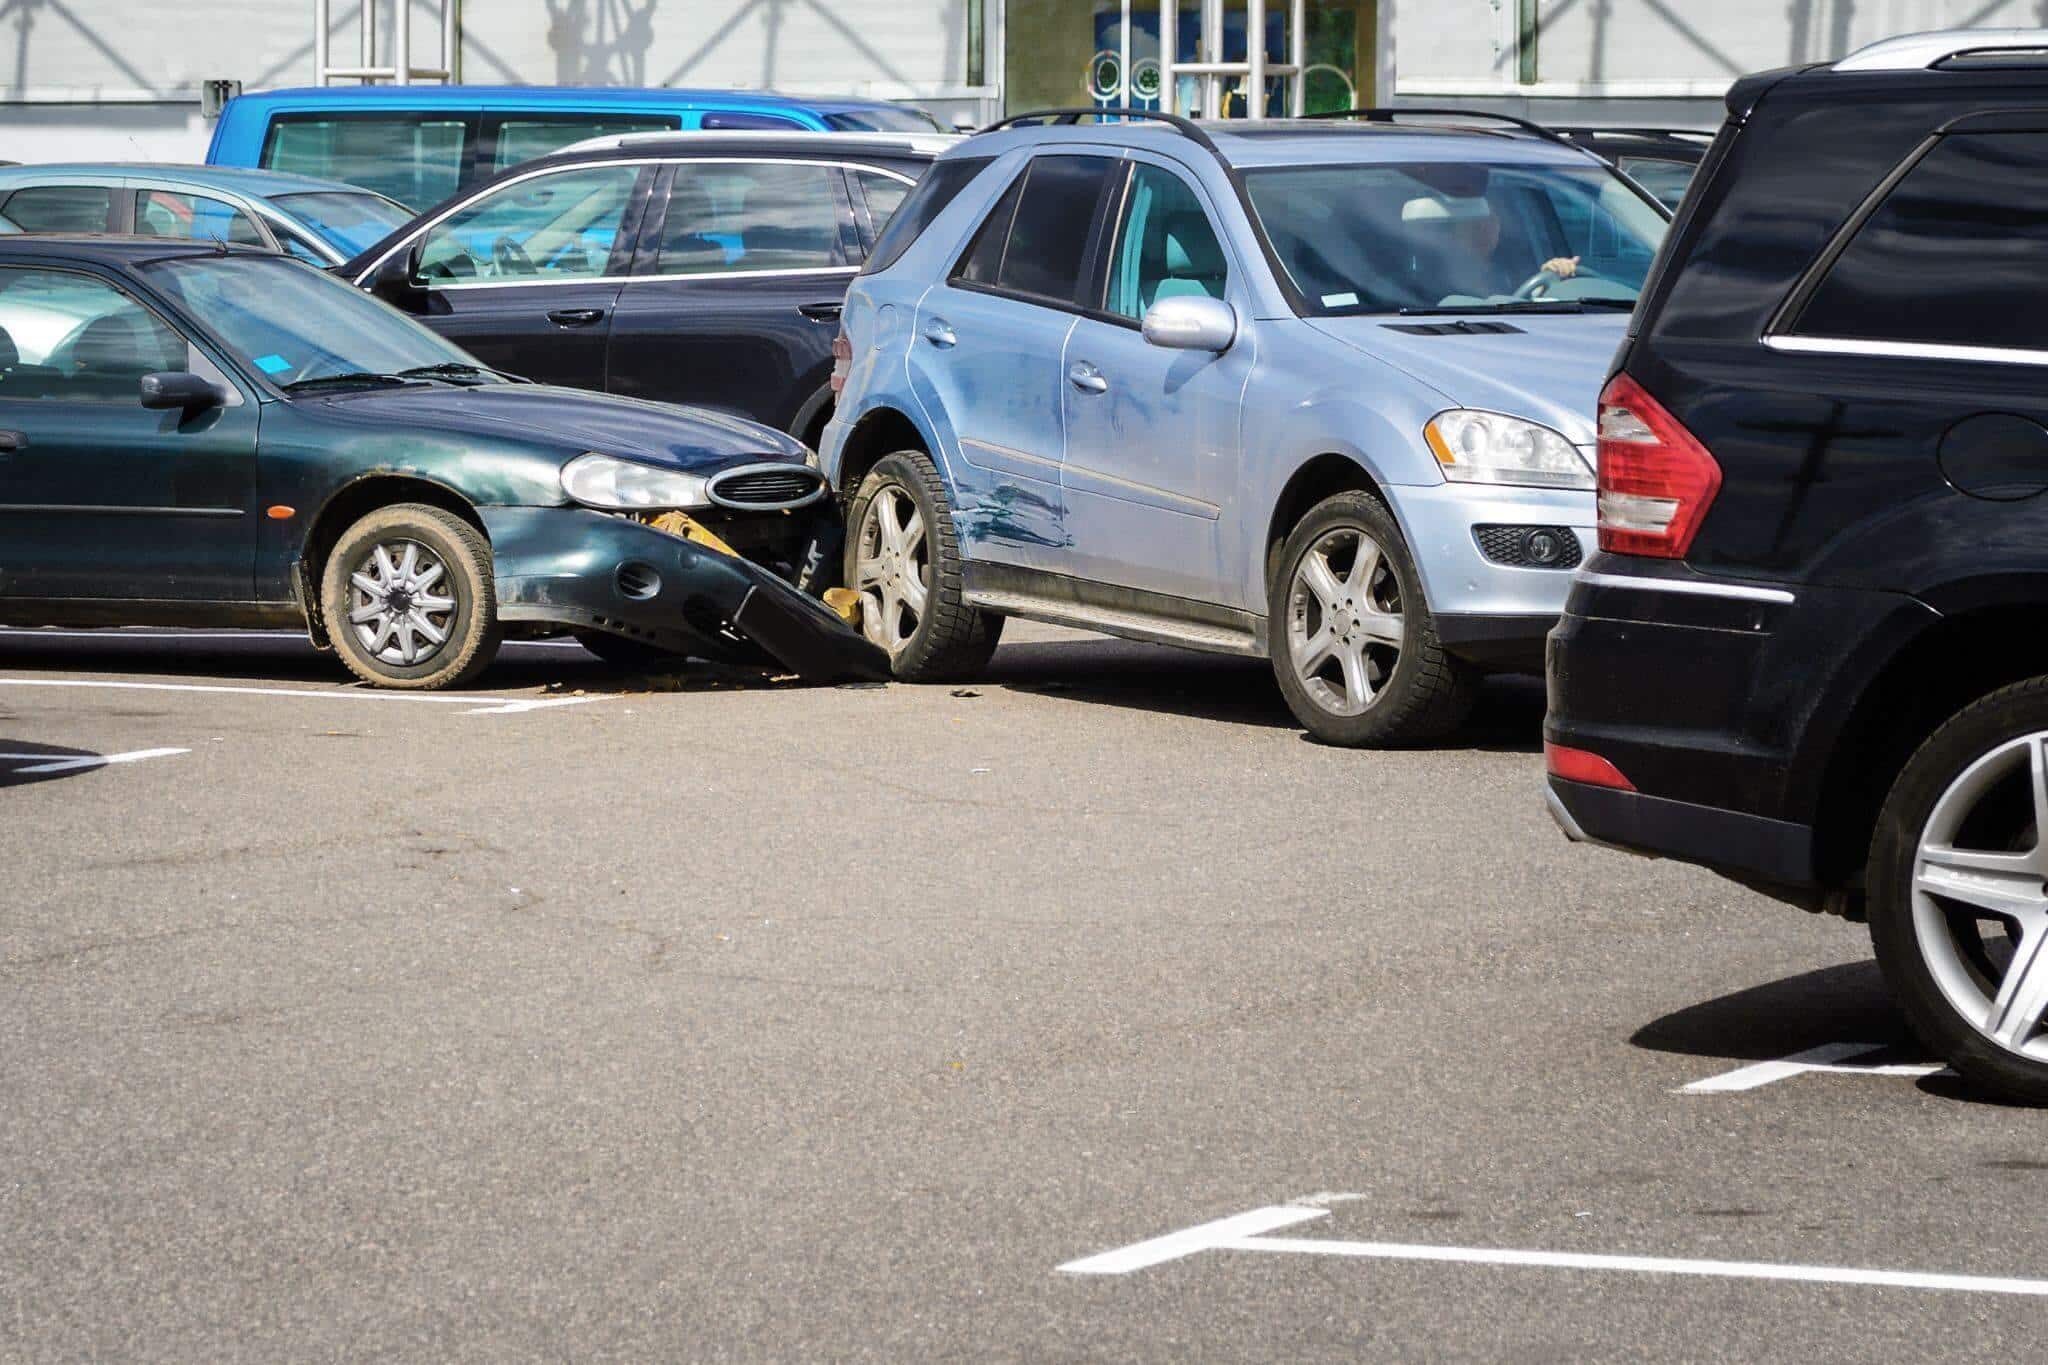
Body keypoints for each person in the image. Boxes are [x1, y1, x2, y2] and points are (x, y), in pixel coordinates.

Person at [1401, 194, 1580, 300]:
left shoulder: (1516, 271)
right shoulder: (1428, 283)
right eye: (1473, 222)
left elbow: (1535, 303)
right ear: (1453, 229)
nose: (1483, 229)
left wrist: (1555, 275)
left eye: (1491, 220)